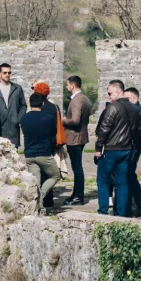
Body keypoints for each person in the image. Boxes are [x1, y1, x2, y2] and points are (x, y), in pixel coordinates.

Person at [95, 80, 137, 217]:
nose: (109, 96)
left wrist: (98, 148)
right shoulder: (134, 109)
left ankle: (102, 211)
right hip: (126, 148)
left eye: (110, 93)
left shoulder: (112, 108)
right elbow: (136, 130)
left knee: (102, 180)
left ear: (118, 91)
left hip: (111, 149)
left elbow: (104, 129)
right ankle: (121, 212)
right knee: (121, 182)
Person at [19, 93, 61, 215]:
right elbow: (53, 133)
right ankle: (41, 195)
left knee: (35, 183)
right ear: (42, 104)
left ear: (29, 104)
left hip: (29, 155)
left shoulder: (24, 118)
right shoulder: (49, 118)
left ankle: (37, 207)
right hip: (44, 154)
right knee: (55, 175)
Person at [62, 75, 92, 206]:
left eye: (67, 84)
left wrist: (63, 121)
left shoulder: (76, 101)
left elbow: (75, 120)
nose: (66, 87)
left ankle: (78, 196)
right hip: (81, 136)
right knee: (77, 168)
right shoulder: (85, 98)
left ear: (72, 86)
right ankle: (76, 194)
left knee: (77, 168)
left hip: (74, 138)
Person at [125, 87, 141, 219]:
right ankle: (136, 207)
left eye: (127, 98)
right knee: (129, 177)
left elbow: (135, 133)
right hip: (133, 148)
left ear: (134, 98)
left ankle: (138, 207)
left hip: (133, 148)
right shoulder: (137, 110)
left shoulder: (138, 111)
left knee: (129, 177)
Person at [0, 63, 27, 147]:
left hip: (13, 128)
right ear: (0, 73)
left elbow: (23, 105)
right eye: (5, 72)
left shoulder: (17, 88)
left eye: (9, 72)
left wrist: (18, 119)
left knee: (14, 151)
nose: (7, 74)